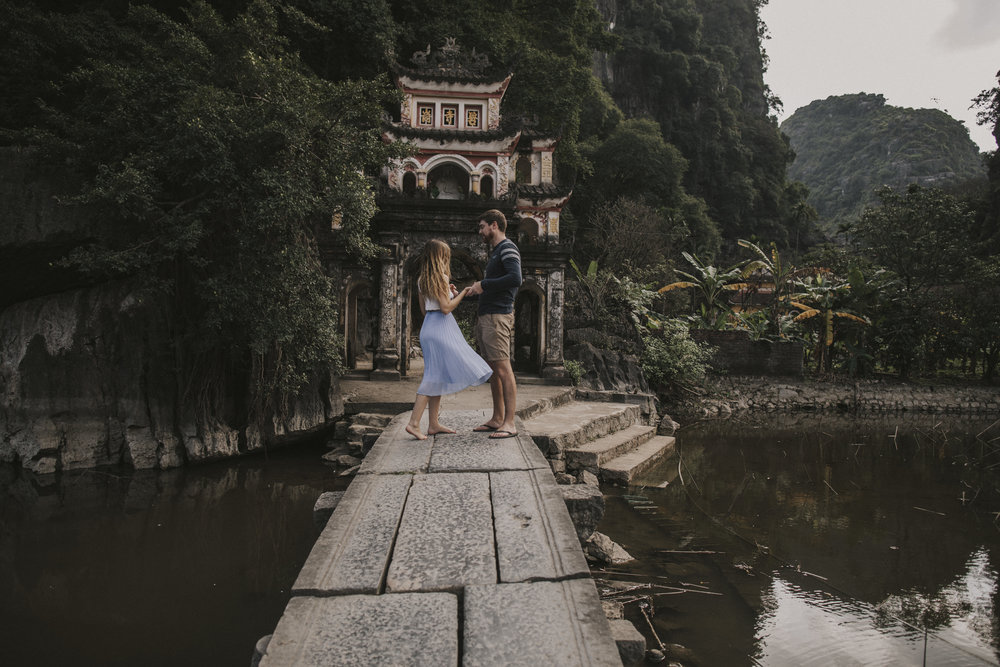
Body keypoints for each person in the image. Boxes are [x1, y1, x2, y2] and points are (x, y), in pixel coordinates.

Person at [406, 239, 493, 440]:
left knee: (437, 375)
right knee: (432, 377)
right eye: (446, 256)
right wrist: (462, 293)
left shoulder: (422, 280)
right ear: (440, 257)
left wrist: (449, 293)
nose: (447, 259)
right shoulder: (441, 278)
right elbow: (445, 309)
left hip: (429, 327)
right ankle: (413, 423)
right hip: (440, 329)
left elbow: (425, 309)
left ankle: (433, 424)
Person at [467, 209, 522, 439]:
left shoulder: (507, 248)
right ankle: (498, 418)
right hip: (488, 316)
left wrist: (484, 284)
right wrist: (475, 290)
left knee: (503, 368)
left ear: (494, 225)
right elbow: (493, 284)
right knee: (492, 370)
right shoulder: (497, 252)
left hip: (498, 317)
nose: (480, 231)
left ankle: (509, 423)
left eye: (482, 227)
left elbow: (515, 278)